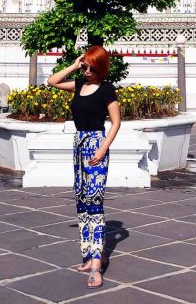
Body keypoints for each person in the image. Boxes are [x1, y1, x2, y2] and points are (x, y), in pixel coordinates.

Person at [47, 45, 121, 288]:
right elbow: (52, 81)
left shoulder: (107, 89)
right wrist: (75, 64)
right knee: (81, 199)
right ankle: (88, 256)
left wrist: (102, 149)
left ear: (100, 66)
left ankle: (97, 266)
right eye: (85, 65)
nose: (87, 70)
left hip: (96, 145)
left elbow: (116, 123)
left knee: (95, 201)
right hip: (79, 144)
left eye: (90, 66)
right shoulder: (79, 85)